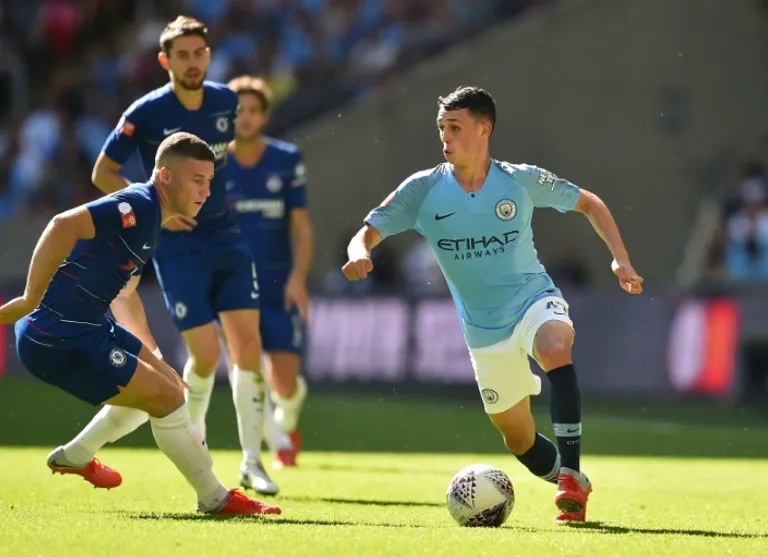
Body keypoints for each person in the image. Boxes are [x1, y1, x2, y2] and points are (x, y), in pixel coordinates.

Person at [342, 86, 644, 523]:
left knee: (555, 345)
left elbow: (588, 203)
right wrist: (359, 253)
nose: (445, 137)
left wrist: (620, 259)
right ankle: (571, 479)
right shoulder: (423, 190)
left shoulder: (518, 179)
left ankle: (571, 477)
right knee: (518, 438)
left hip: (533, 299)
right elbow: (367, 231)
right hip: (483, 329)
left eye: (455, 127)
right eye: (441, 128)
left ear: (484, 129)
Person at [0, 132, 280, 516]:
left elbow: (124, 295)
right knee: (166, 398)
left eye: (210, 181)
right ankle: (215, 498)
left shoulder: (151, 220)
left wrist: (156, 358)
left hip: (85, 324)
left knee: (165, 384)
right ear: (165, 177)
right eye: (197, 180)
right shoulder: (139, 205)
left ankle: (77, 455)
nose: (206, 191)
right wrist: (30, 298)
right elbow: (62, 224)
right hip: (58, 333)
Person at [56, 16, 277, 494]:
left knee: (248, 348)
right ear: (165, 61)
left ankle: (253, 462)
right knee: (206, 354)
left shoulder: (226, 101)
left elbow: (228, 159)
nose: (192, 62)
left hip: (227, 238)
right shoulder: (146, 111)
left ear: (209, 56)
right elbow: (102, 172)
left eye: (199, 53)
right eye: (182, 55)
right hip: (177, 247)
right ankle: (195, 437)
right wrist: (158, 208)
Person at [226, 75, 314, 469]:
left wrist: (298, 279)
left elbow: (302, 227)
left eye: (253, 110)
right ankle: (276, 446)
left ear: (264, 116)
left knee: (286, 384)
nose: (245, 117)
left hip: (277, 284)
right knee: (244, 371)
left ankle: (287, 423)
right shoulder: (212, 161)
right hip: (232, 285)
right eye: (238, 111)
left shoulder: (286, 159)